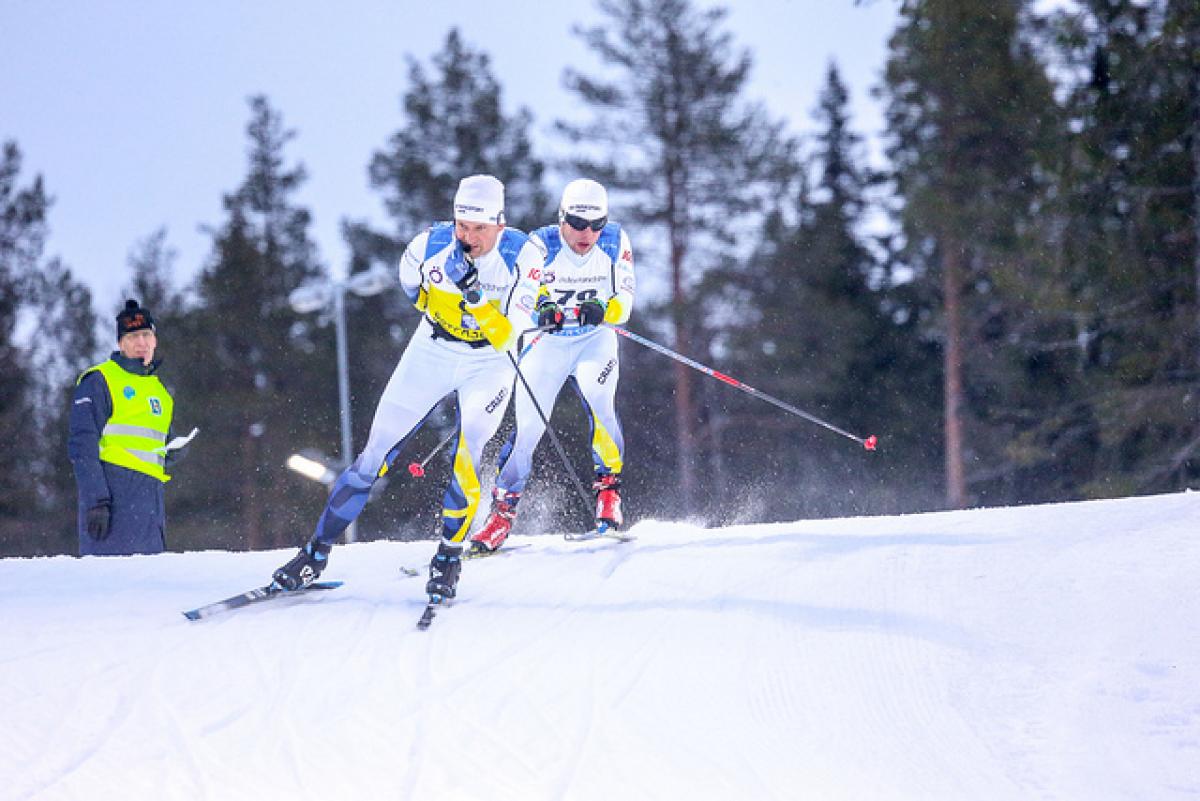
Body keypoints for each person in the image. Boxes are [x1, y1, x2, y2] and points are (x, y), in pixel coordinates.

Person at [272, 174, 543, 600]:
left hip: (489, 362)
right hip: (432, 349)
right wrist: (449, 314)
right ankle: (315, 553)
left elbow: (508, 338)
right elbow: (414, 292)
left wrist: (472, 298)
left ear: (500, 226)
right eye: (462, 226)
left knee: (469, 455)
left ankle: (448, 558)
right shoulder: (426, 248)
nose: (469, 238)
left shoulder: (523, 257)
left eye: (480, 229)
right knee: (373, 454)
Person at [469, 178, 636, 553]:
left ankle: (609, 492)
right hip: (548, 344)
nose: (587, 234)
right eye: (578, 223)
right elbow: (523, 300)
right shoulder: (539, 245)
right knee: (528, 428)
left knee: (600, 399)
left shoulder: (614, 241)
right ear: (562, 217)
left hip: (594, 340)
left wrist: (603, 310)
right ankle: (500, 515)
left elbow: (624, 301)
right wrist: (541, 311)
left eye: (597, 224)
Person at [68, 299, 194, 556]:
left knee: (149, 586)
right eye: (133, 336)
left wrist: (171, 452)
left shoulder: (160, 391)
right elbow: (82, 445)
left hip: (150, 507)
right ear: (120, 343)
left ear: (155, 340)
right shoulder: (100, 380)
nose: (141, 343)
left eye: (146, 335)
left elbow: (150, 445)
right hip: (114, 504)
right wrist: (96, 501)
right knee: (113, 589)